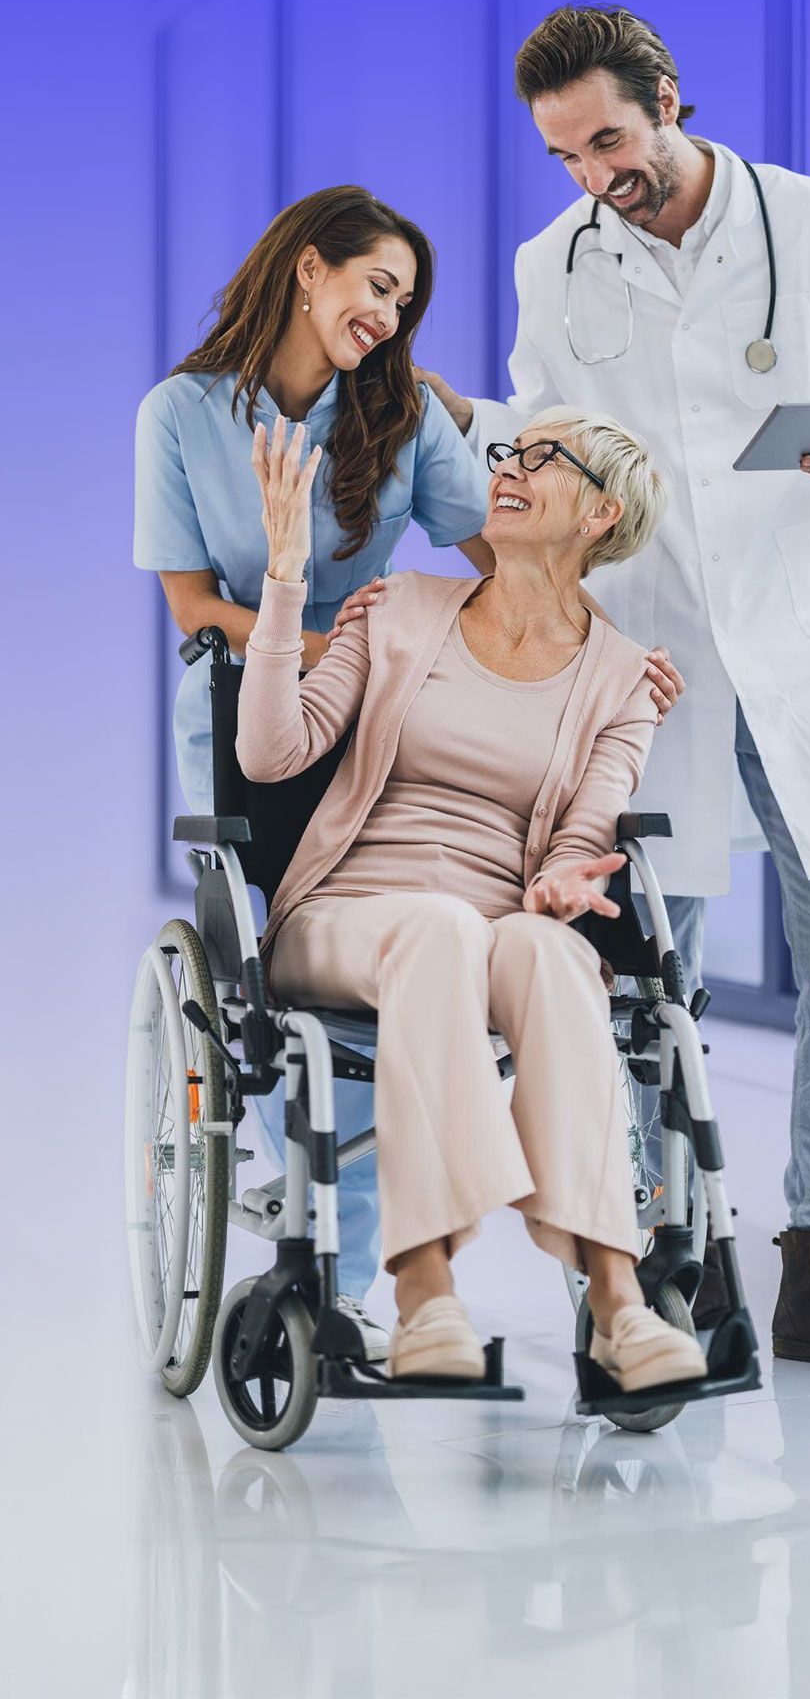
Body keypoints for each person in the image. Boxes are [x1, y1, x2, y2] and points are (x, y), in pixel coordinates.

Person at [412, 4, 810, 1375]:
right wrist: (466, 431)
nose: (599, 173)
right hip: (655, 664)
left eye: (610, 137)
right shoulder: (557, 262)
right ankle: (656, 1266)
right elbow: (549, 430)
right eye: (566, 154)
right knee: (658, 980)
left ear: (671, 100)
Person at [235, 403, 708, 1393]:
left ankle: (619, 1301)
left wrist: (568, 877)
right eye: (509, 450)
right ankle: (426, 1291)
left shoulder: (625, 681)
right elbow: (272, 754)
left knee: (550, 954)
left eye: (545, 458)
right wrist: (287, 580)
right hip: (344, 916)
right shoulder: (401, 606)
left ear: (597, 512)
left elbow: (589, 827)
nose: (509, 466)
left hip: (494, 927)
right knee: (445, 928)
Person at [133, 185, 495, 1362]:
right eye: (377, 286)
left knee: (388, 964)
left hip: (384, 718)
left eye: (406, 302)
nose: (391, 317)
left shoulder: (400, 415)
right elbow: (190, 602)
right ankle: (330, 1260)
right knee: (287, 991)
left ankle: (369, 1269)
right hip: (254, 712)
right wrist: (304, 636)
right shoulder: (181, 416)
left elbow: (493, 550)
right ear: (306, 271)